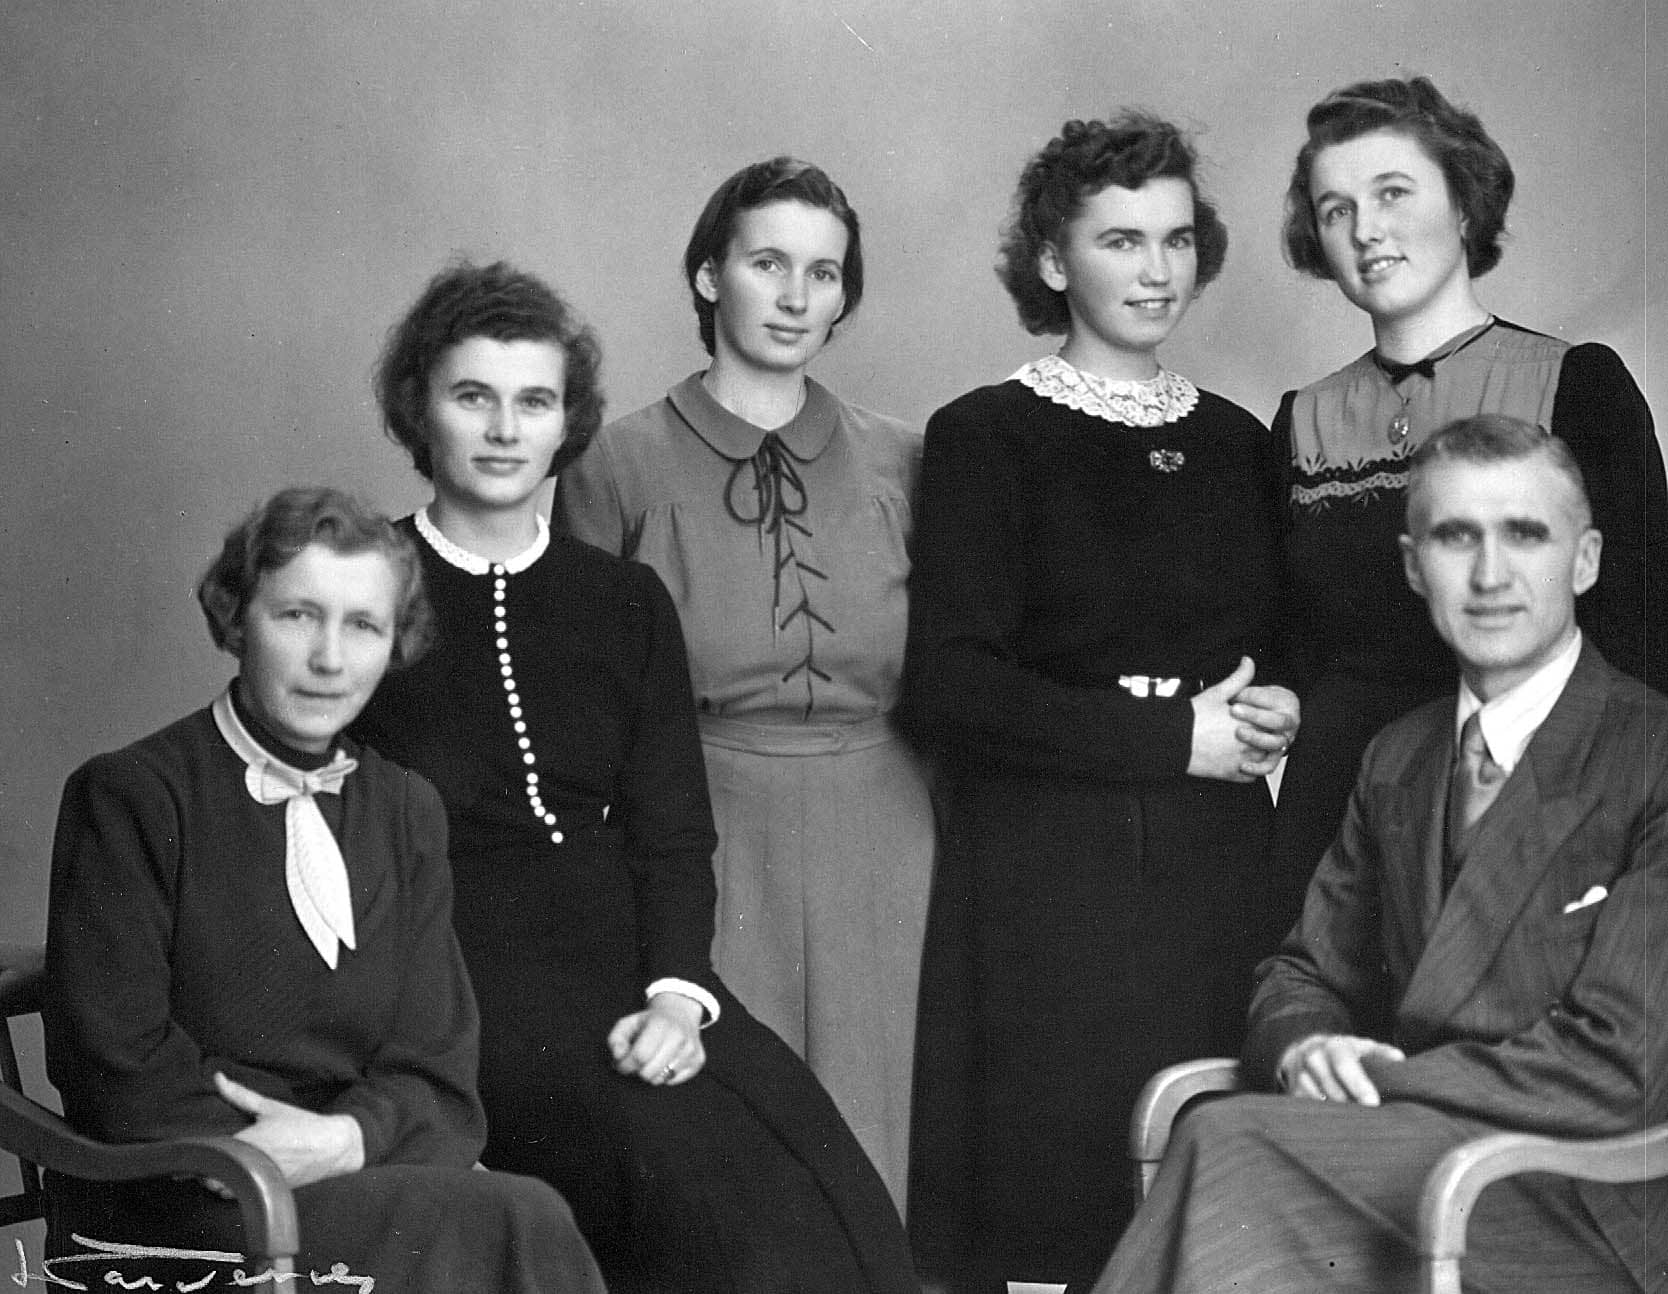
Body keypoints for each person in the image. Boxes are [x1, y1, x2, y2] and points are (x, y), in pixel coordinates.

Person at [352, 259, 919, 1294]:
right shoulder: (360, 590)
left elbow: (669, 828)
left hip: (624, 961)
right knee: (691, 1197)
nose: (503, 428)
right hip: (455, 980)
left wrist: (678, 998)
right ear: (418, 409)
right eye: (472, 396)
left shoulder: (622, 600)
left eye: (535, 401)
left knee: (825, 1178)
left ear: (567, 421)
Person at [1093, 415, 1665, 1294]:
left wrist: (1382, 1079)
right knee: (1228, 1142)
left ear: (1584, 560)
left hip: (1579, 1190)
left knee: (1229, 1140)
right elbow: (1301, 973)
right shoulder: (1399, 753)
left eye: (1524, 534)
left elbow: (1622, 1064)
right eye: (1454, 536)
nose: (1488, 575)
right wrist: (1306, 1052)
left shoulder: (1650, 752)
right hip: (1402, 1165)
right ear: (1411, 565)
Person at [900, 113, 1300, 1292]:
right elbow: (953, 688)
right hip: (1047, 873)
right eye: (1121, 240)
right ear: (1051, 258)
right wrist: (1178, 736)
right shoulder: (986, 435)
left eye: (1177, 240)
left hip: (1219, 860)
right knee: (1059, 1208)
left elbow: (1283, 642)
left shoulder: (1236, 441)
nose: (1157, 269)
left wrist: (1280, 707)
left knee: (1209, 1190)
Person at [43, 487, 605, 1293]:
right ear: (237, 618)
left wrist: (346, 1139)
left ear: (396, 644)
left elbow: (435, 1058)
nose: (330, 659)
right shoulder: (135, 795)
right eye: (299, 616)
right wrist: (263, 1147)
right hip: (189, 1194)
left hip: (356, 1171)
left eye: (364, 626)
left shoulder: (405, 810)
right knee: (517, 1219)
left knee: (519, 1212)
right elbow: (112, 1061)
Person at [558, 156, 931, 1212]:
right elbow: (579, 710)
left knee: (881, 1142)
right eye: (770, 262)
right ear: (712, 276)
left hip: (890, 844)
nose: (798, 295)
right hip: (701, 834)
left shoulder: (905, 461)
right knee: (726, 1157)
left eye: (825, 272)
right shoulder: (614, 464)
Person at [1266, 74, 1666, 946]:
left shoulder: (1576, 384)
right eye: (1335, 210)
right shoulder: (1301, 419)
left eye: (1393, 192)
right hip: (1335, 811)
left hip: (1529, 801)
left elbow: (1644, 637)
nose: (1366, 229)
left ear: (1463, 203)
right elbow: (1292, 648)